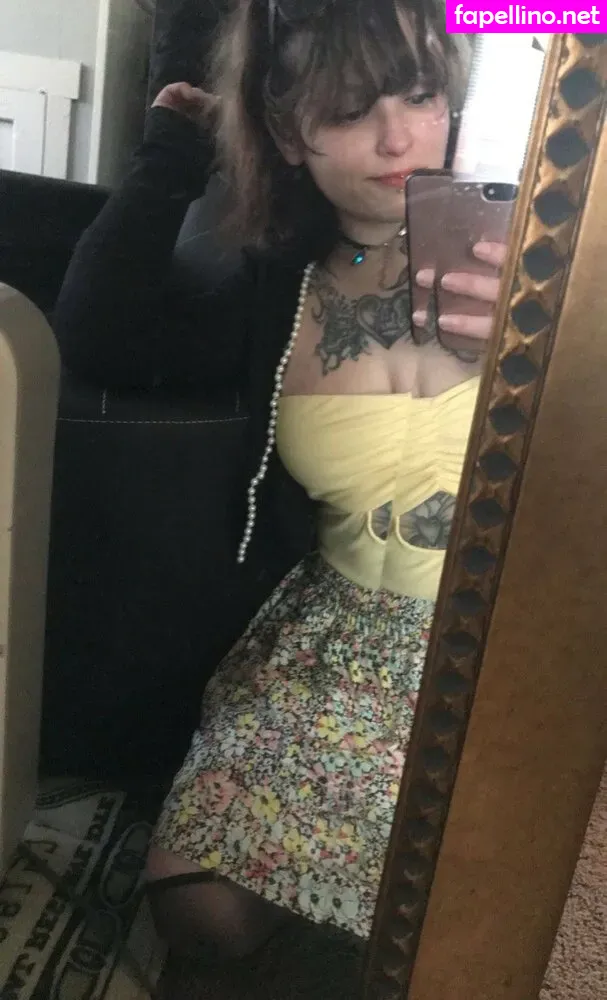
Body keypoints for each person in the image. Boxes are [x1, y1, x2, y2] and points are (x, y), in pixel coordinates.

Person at [54, 0, 507, 961]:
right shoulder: (273, 286)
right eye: (348, 109)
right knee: (199, 914)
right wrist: (174, 148)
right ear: (288, 131)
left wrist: (571, 313)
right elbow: (97, 331)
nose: (397, 137)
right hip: (338, 639)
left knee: (476, 903)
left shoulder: (542, 253)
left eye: (419, 94)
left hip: (513, 631)